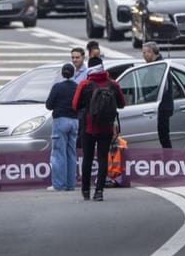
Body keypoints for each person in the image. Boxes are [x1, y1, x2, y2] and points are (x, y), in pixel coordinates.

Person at [73, 61, 126, 201]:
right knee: (103, 158)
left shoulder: (84, 84)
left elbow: (75, 105)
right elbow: (122, 104)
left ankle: (85, 191)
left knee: (88, 158)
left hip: (88, 127)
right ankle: (99, 192)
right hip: (106, 127)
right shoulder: (113, 84)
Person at [46, 63, 79, 191]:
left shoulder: (57, 87)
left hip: (60, 120)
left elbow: (49, 105)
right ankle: (71, 184)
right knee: (71, 153)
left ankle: (59, 184)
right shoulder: (77, 87)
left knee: (59, 153)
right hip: (74, 121)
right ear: (73, 73)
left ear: (62, 73)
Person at [142, 41, 174, 149]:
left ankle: (169, 162)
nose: (143, 56)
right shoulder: (156, 65)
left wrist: (144, 99)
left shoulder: (159, 67)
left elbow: (161, 89)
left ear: (152, 53)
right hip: (160, 107)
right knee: (162, 136)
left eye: (145, 52)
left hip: (162, 108)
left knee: (164, 137)